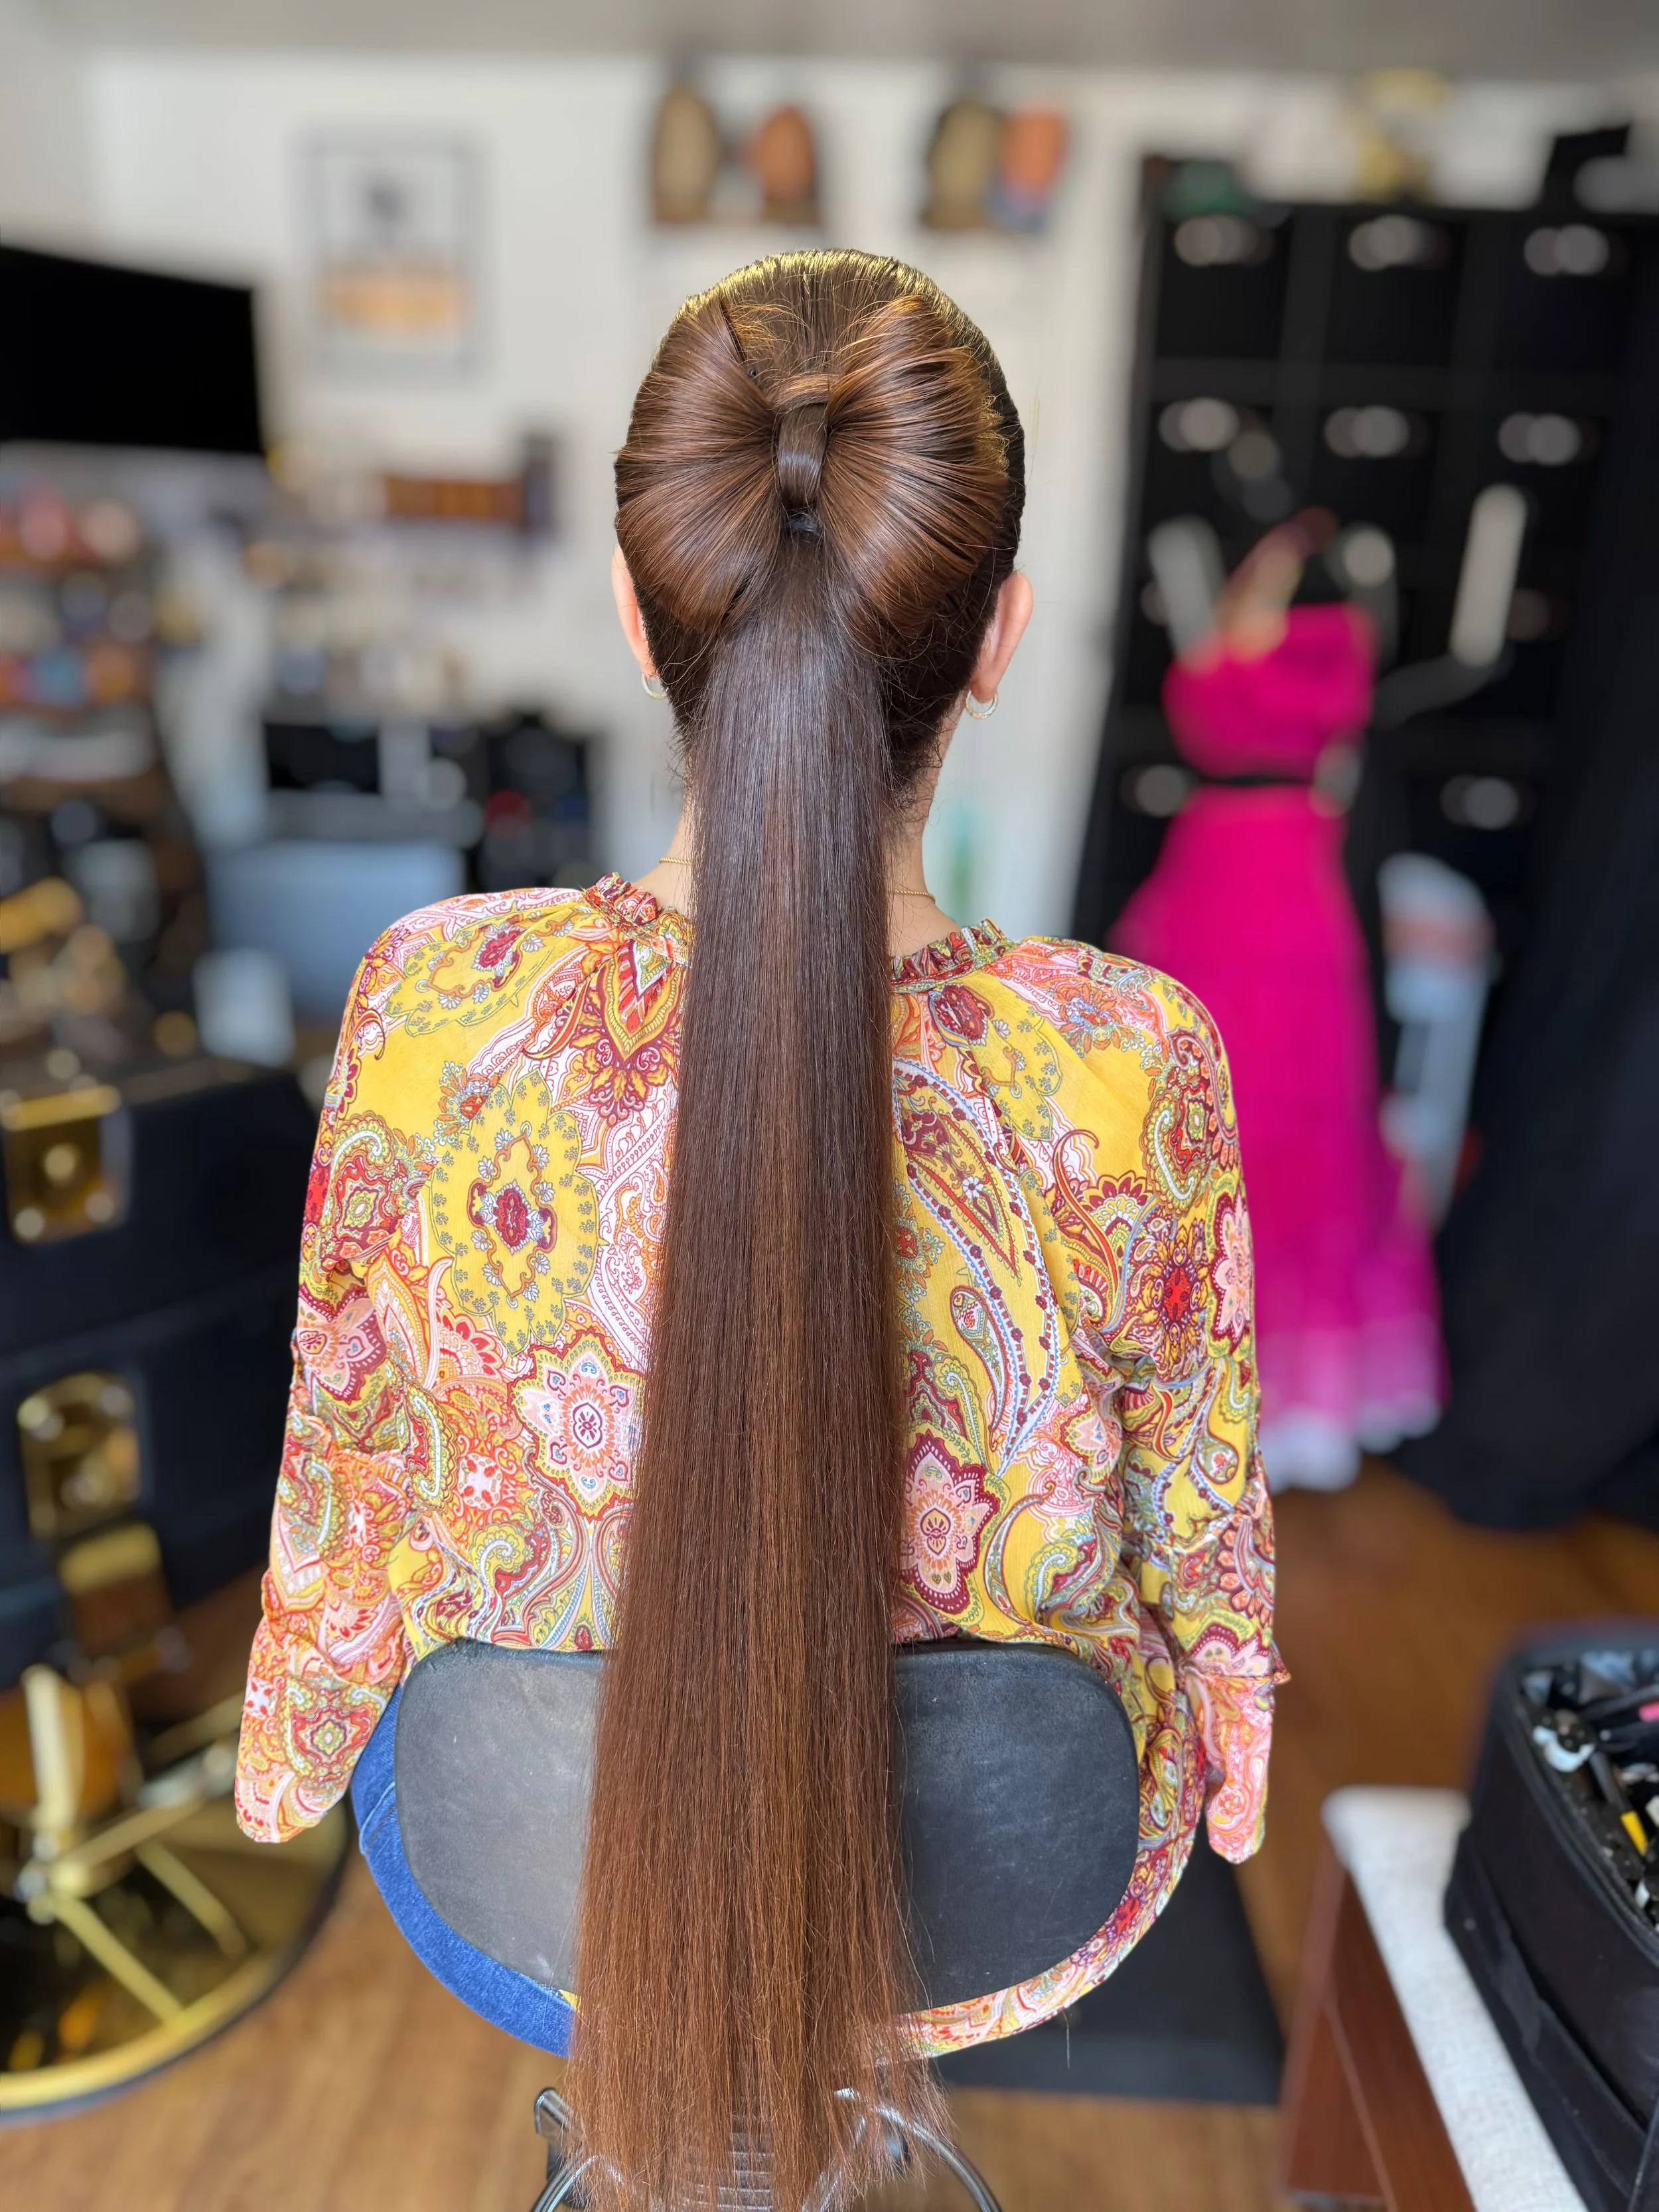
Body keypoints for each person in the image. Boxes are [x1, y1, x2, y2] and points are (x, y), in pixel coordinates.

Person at [234, 250, 1279, 2212]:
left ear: (641, 620)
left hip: (514, 1868)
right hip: (991, 1890)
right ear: (995, 640)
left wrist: (287, 1742)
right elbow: (1203, 1540)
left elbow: (344, 1461)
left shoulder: (430, 1001)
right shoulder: (1133, 1057)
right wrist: (1226, 1739)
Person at [1114, 521, 1443, 1491]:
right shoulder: (1338, 635)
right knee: (1248, 1106)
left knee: (1257, 1111)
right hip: (1267, 873)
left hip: (1249, 875)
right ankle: (1268, 1400)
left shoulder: (1271, 620)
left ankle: (1260, 1400)